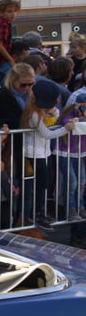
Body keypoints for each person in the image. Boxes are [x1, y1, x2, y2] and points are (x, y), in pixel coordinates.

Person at [23, 81, 77, 229]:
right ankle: (37, 212)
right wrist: (66, 128)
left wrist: (55, 112)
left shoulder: (41, 112)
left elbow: (54, 119)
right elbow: (47, 133)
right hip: (34, 152)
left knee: (47, 180)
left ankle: (40, 211)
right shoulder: (34, 114)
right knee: (42, 183)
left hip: (44, 151)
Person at [57, 93, 86, 221]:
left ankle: (80, 207)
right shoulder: (70, 115)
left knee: (81, 181)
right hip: (65, 152)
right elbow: (66, 122)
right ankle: (70, 209)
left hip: (79, 152)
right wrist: (77, 120)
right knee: (72, 181)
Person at [0, 62, 35, 131]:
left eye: (30, 84)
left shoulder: (34, 95)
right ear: (12, 80)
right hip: (11, 138)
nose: (27, 87)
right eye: (23, 85)